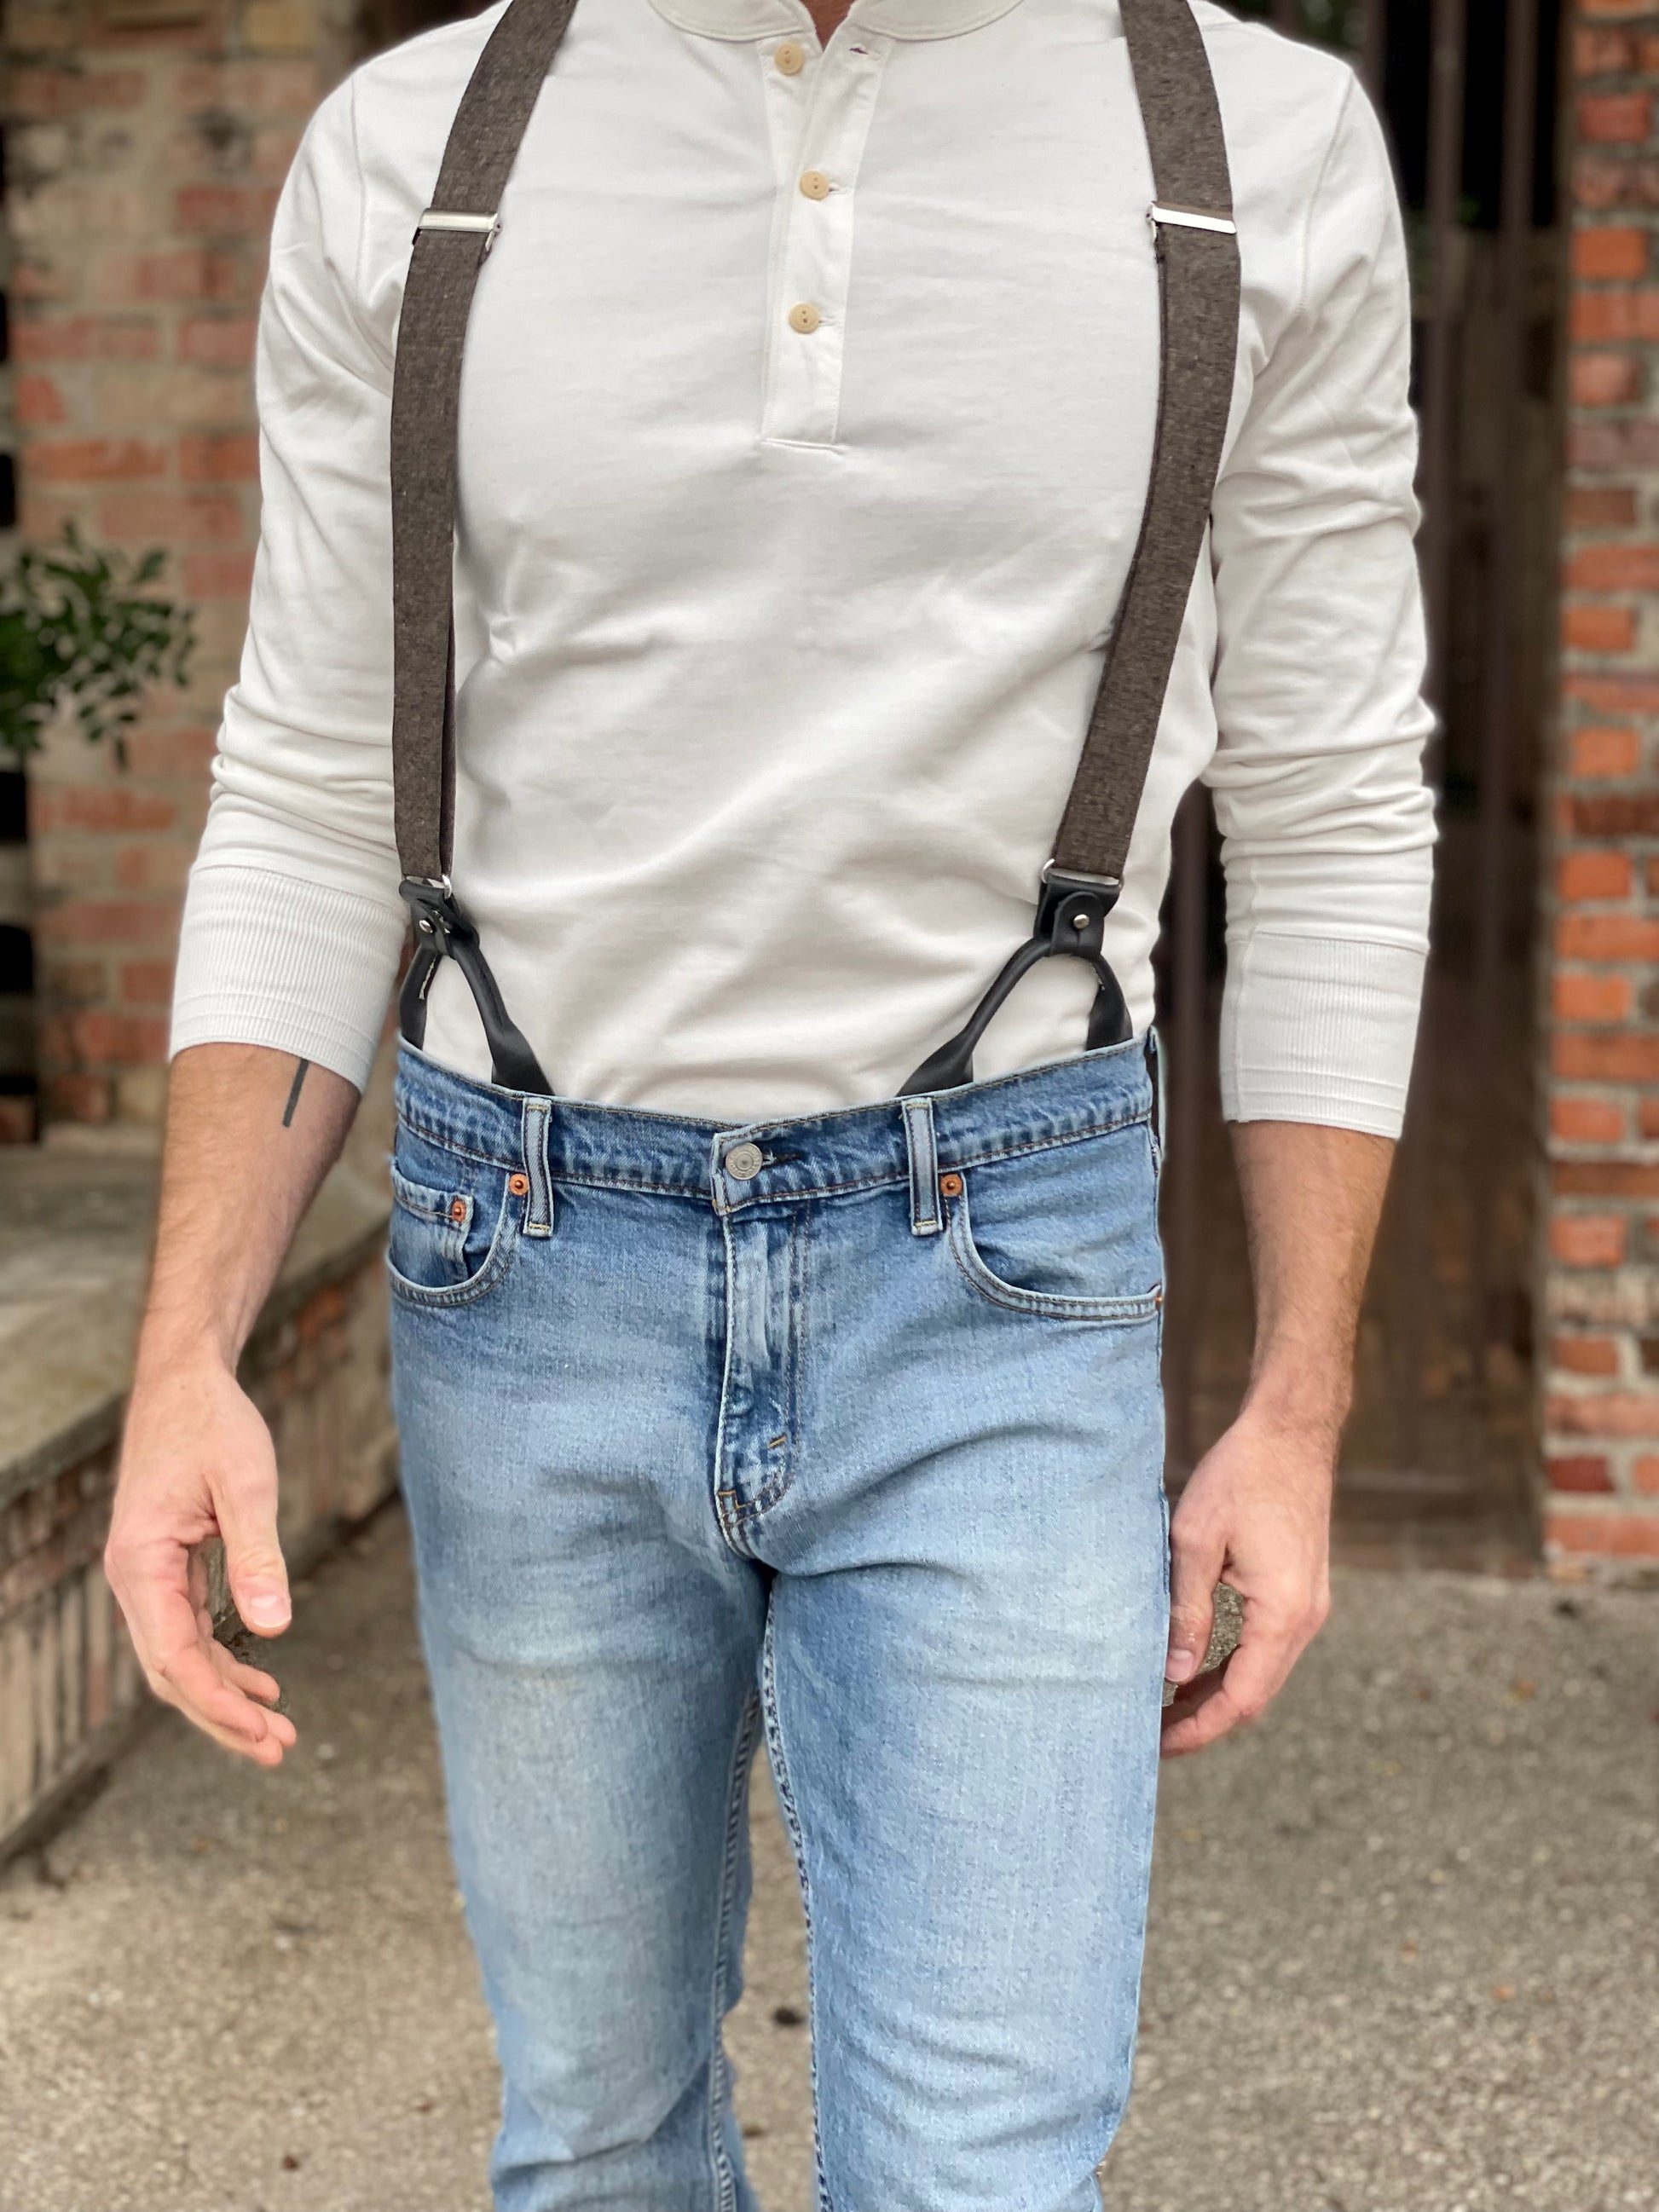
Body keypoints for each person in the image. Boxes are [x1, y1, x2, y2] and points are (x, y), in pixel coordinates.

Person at [105, 0, 1434, 2203]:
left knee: (984, 2175)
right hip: (518, 1253)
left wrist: (1295, 1402)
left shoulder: (1251, 154)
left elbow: (1328, 804)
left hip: (1001, 1264)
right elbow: (315, 781)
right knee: (599, 2138)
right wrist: (179, 1354)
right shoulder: (415, 156)